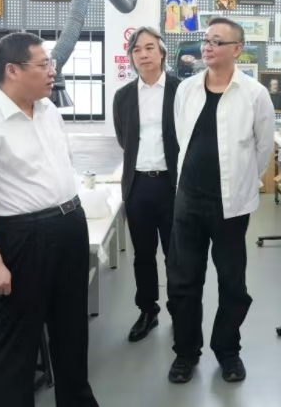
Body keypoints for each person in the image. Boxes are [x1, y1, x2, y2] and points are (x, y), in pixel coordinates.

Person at [0, 32, 99, 407]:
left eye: (51, 64)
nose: (53, 71)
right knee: (18, 341)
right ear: (12, 70)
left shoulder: (48, 111)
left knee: (72, 331)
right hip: (23, 237)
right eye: (44, 64)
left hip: (69, 225)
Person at [167, 17, 275, 384]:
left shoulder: (254, 94)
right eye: (206, 40)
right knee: (183, 281)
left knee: (232, 283)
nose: (207, 47)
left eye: (217, 41)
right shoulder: (186, 90)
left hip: (231, 205)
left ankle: (228, 351)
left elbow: (263, 148)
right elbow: (181, 137)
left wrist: (241, 181)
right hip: (188, 201)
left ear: (237, 50)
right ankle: (185, 353)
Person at [113, 26, 180, 342]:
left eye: (150, 47)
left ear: (162, 52)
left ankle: (179, 310)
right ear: (131, 57)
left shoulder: (182, 90)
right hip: (138, 185)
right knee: (142, 255)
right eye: (137, 49)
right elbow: (123, 138)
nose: (143, 54)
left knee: (176, 254)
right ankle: (147, 310)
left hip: (173, 186)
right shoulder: (123, 96)